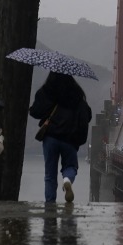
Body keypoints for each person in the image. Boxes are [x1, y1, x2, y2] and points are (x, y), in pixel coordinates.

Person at [29, 72, 92, 203]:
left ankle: (50, 203)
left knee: (49, 174)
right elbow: (87, 115)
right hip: (70, 139)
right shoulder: (77, 95)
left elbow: (35, 112)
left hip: (50, 138)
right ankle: (67, 180)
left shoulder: (48, 91)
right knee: (70, 166)